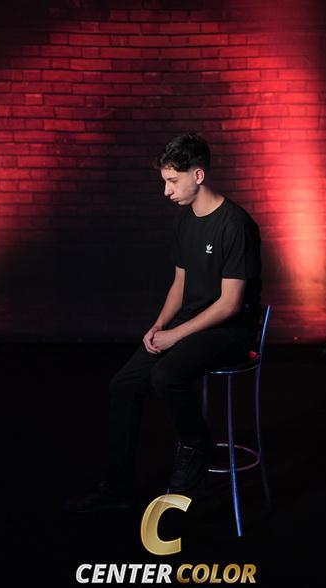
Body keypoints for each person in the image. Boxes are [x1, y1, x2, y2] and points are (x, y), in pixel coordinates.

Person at [64, 132, 262, 512]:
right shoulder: (184, 221)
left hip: (230, 332)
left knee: (166, 374)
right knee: (124, 385)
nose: (166, 191)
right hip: (190, 324)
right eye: (165, 181)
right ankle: (117, 489)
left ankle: (197, 442)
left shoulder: (235, 224)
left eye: (172, 181)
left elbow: (230, 304)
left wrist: (175, 336)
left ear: (198, 175)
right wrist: (158, 327)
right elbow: (180, 284)